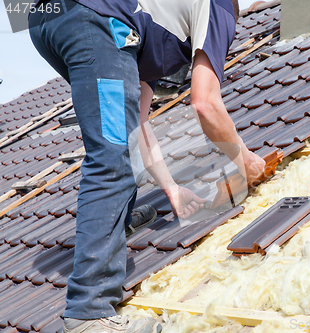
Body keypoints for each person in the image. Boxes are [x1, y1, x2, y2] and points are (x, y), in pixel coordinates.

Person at [28, 0, 266, 332]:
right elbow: (205, 102)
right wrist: (245, 159)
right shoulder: (222, 9)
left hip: (44, 17)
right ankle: (88, 311)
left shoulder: (145, 33)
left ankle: (116, 221)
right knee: (113, 159)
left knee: (119, 142)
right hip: (90, 16)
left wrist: (171, 189)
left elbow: (137, 125)